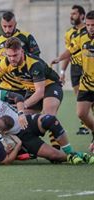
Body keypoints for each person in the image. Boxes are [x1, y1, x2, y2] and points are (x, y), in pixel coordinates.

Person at [0, 87, 94, 164]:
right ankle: (78, 156)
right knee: (55, 156)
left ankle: (71, 153)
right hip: (20, 138)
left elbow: (17, 97)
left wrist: (21, 114)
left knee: (49, 120)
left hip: (26, 122)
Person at [0, 37, 63, 149]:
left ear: (22, 51)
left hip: (50, 86)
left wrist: (22, 107)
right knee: (22, 121)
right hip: (31, 89)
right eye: (9, 56)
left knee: (48, 114)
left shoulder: (34, 64)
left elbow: (40, 92)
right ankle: (28, 148)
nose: (12, 59)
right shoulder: (6, 62)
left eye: (15, 55)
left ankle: (58, 147)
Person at [51, 10, 94, 153]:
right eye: (88, 25)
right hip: (87, 83)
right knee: (81, 113)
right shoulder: (81, 37)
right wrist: (59, 58)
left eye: (93, 25)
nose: (90, 28)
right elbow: (71, 50)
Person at [60, 5, 89, 135]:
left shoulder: (89, 31)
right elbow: (69, 53)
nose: (72, 16)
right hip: (75, 68)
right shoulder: (69, 33)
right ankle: (85, 125)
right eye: (71, 14)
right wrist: (62, 72)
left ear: (82, 15)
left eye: (74, 13)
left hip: (88, 66)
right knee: (79, 97)